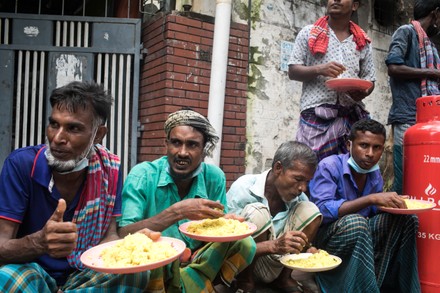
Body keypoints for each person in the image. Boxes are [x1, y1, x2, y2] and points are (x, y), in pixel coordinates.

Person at [0, 81, 150, 292]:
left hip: (82, 275)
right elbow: (1, 244)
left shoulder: (109, 169)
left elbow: (109, 236)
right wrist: (38, 243)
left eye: (73, 128)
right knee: (7, 277)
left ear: (98, 134)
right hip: (33, 272)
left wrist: (131, 246)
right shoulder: (22, 165)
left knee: (136, 274)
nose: (57, 138)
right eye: (54, 124)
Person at [118, 108, 257, 293]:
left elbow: (217, 228)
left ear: (204, 148)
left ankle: (199, 283)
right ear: (166, 144)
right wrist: (177, 212)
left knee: (246, 243)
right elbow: (123, 234)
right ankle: (198, 286)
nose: (182, 153)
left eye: (192, 145)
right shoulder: (142, 175)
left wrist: (226, 223)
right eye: (176, 143)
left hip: (197, 258)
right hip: (158, 261)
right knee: (153, 255)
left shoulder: (214, 177)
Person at [309, 119, 420, 292]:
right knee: (357, 222)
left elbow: (375, 214)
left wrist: (394, 203)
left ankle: (402, 287)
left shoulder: (374, 174)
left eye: (377, 148)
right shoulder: (329, 166)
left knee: (407, 220)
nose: (370, 153)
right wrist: (371, 199)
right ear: (349, 145)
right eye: (363, 145)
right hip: (327, 240)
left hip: (362, 235)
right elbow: (321, 210)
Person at [227, 141, 322, 293]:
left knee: (311, 210)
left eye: (307, 182)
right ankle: (245, 281)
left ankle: (283, 279)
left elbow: (299, 242)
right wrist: (273, 245)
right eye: (298, 179)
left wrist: (308, 249)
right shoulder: (243, 188)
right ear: (278, 168)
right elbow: (227, 245)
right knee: (257, 211)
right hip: (242, 262)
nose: (302, 188)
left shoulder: (300, 199)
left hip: (277, 264)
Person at [288, 0, 376, 161]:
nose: (334, 0)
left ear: (355, 6)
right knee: (310, 167)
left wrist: (362, 93)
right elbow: (293, 71)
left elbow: (370, 80)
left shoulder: (362, 41)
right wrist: (319, 69)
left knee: (348, 172)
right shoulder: (309, 33)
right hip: (315, 116)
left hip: (351, 116)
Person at [386, 0, 440, 195]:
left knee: (424, 175)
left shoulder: (429, 44)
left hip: (427, 120)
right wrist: (430, 73)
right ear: (435, 13)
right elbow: (393, 67)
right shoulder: (406, 31)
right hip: (407, 116)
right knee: (404, 178)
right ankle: (395, 223)